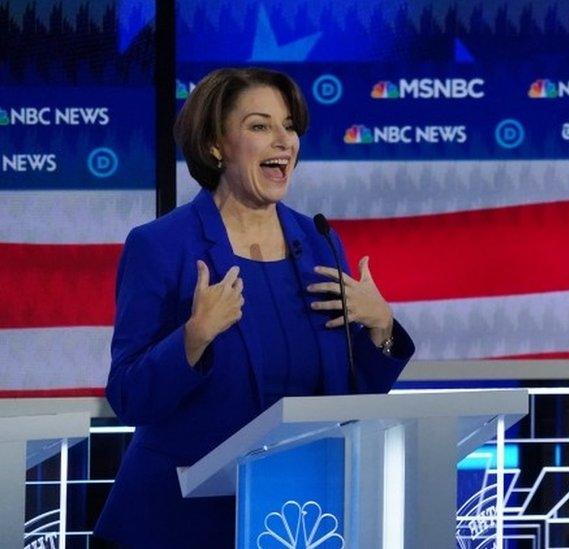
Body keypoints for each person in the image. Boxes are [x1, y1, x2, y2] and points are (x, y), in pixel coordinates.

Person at [94, 68, 415, 546]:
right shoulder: (162, 247)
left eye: (289, 126)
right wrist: (193, 338)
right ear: (215, 146)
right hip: (174, 524)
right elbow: (127, 396)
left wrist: (380, 326)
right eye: (260, 126)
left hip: (293, 521)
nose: (283, 141)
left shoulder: (320, 241)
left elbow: (346, 398)